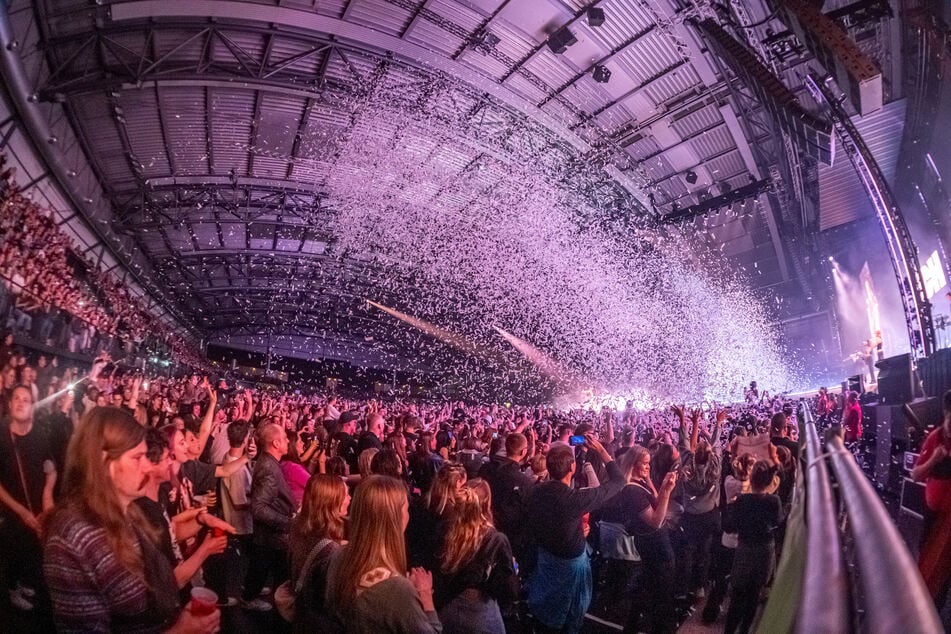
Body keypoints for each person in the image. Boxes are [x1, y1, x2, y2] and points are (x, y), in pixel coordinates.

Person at [43, 406, 219, 632]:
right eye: (137, 458)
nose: (147, 466)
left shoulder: (130, 512)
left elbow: (155, 589)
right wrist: (179, 631)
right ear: (105, 463)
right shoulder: (73, 538)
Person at [525, 437, 626, 633]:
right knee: (569, 612)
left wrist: (575, 531)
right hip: (569, 566)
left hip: (545, 557)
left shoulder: (535, 491)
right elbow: (619, 481)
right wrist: (602, 450)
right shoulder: (575, 499)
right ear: (572, 468)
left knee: (546, 607)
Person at [326, 475, 441, 633]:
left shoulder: (337, 556)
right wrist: (425, 594)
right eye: (406, 509)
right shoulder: (397, 590)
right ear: (396, 519)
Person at [600, 445, 678, 634]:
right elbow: (655, 521)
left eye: (649, 463)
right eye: (645, 463)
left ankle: (633, 626)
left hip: (652, 545)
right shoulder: (632, 492)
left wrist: (657, 484)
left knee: (646, 590)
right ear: (633, 464)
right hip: (655, 547)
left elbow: (656, 501)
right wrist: (667, 491)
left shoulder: (639, 484)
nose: (648, 467)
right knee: (662, 595)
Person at [0, 385, 56, 616]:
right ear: (10, 404)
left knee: (30, 549)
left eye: (26, 399)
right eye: (17, 398)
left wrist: (47, 495)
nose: (21, 402)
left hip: (36, 508)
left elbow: (50, 467)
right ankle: (13, 589)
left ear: (33, 407)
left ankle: (22, 584)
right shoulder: (2, 435)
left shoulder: (40, 435)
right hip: (10, 508)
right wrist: (20, 511)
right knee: (13, 549)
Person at [434, 487, 517, 634]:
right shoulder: (495, 540)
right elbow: (509, 591)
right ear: (484, 506)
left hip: (447, 609)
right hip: (481, 614)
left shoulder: (444, 531)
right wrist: (512, 569)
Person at [722, 460, 783, 634]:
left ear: (752, 478)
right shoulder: (774, 501)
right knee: (754, 596)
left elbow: (729, 527)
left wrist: (730, 507)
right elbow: (778, 523)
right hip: (765, 551)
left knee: (737, 596)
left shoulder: (742, 500)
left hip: (745, 550)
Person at [242, 423, 295, 611]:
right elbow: (258, 508)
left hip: (268, 535)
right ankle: (275, 610)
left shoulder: (268, 461)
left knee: (261, 564)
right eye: (285, 438)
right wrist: (288, 522)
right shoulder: (268, 467)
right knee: (277, 572)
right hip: (273, 535)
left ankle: (250, 594)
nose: (288, 441)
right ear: (275, 443)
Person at [288, 474, 349, 633]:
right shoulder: (330, 551)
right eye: (345, 495)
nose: (349, 499)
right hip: (319, 621)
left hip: (301, 616)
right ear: (332, 502)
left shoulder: (298, 523)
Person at [912, 389, 951, 608]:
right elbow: (916, 475)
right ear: (945, 414)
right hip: (934, 518)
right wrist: (934, 460)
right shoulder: (935, 438)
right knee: (929, 566)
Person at [478, 432, 534, 566]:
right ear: (523, 452)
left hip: (484, 528)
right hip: (510, 539)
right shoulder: (524, 482)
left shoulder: (485, 469)